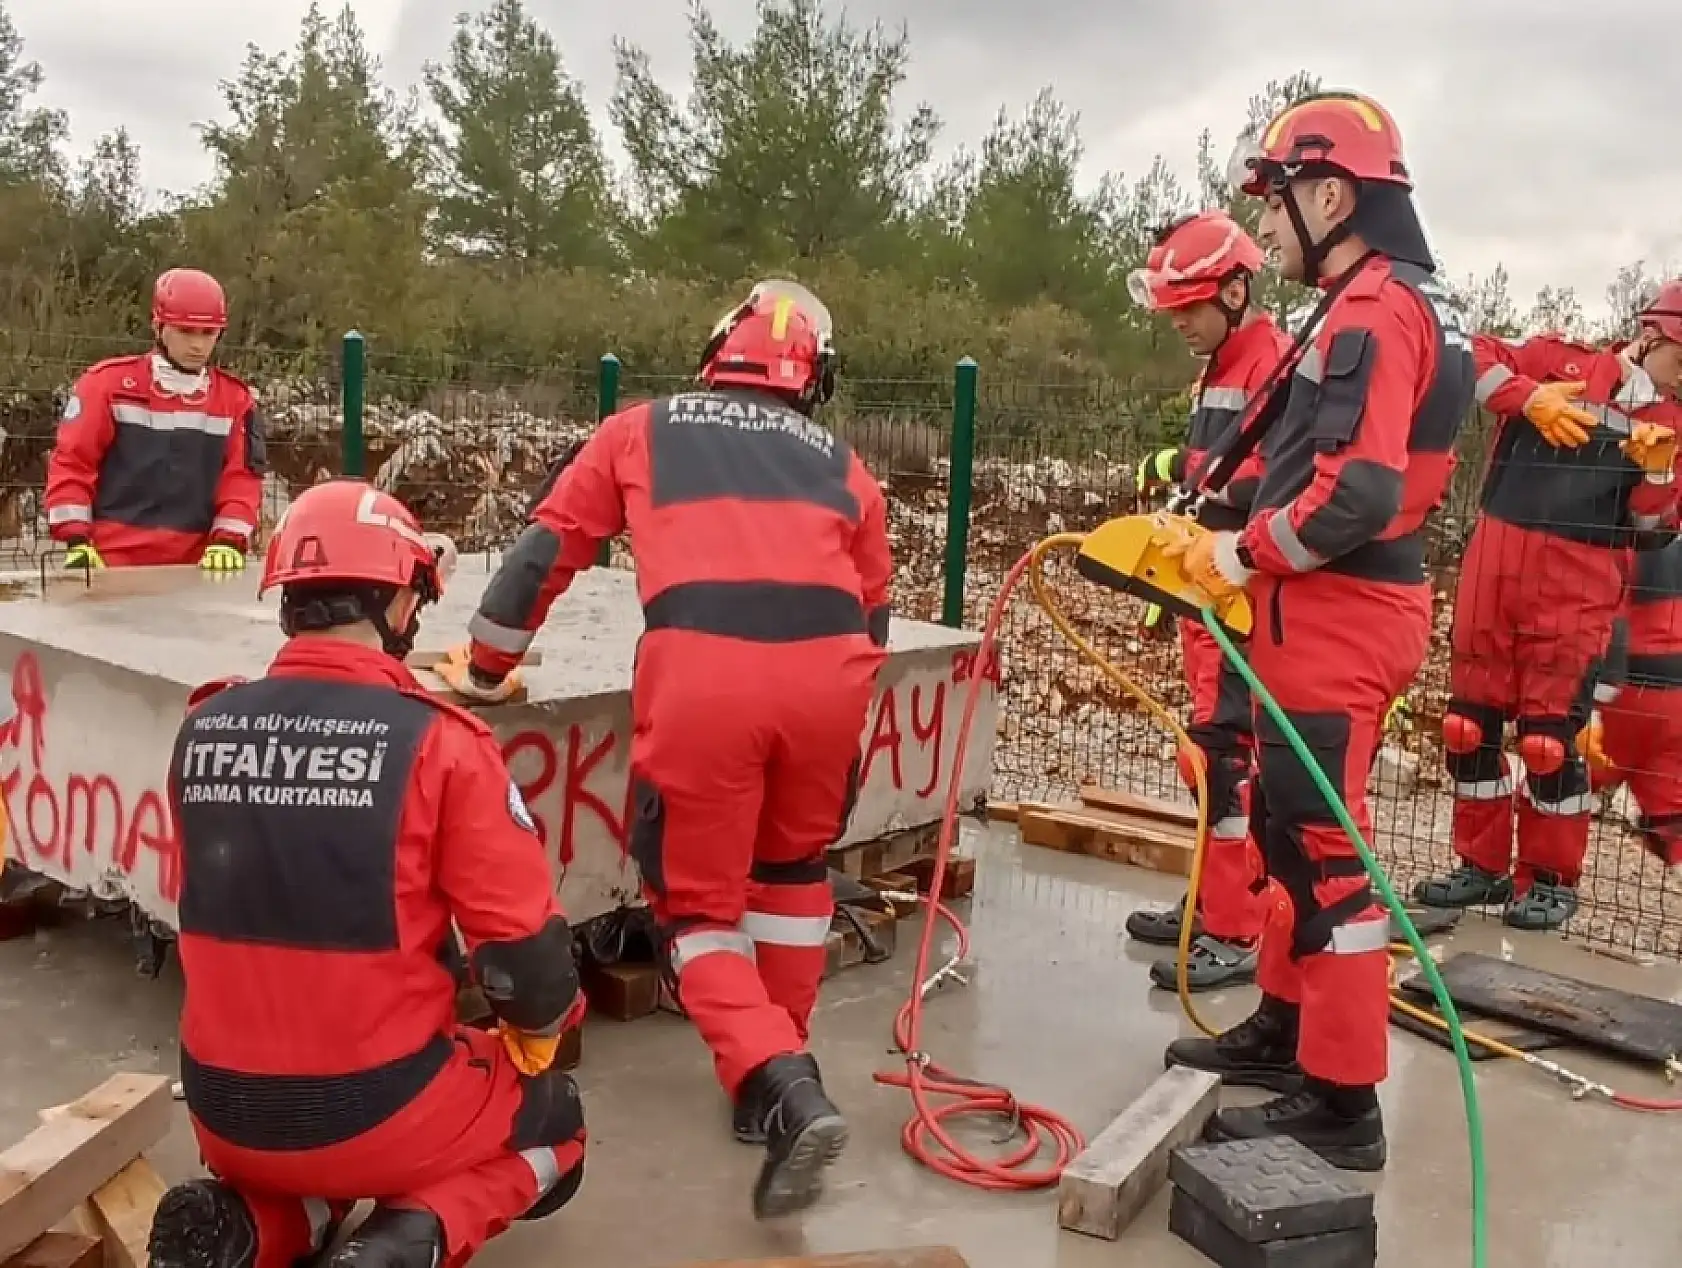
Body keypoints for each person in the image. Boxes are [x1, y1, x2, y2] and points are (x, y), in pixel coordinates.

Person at [440, 279, 893, 1221]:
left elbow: (544, 553)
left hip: (706, 680)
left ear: (716, 352)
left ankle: (780, 1081)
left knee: (694, 912)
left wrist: (487, 668)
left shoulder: (639, 430)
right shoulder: (844, 463)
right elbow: (876, 605)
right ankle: (766, 1069)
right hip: (833, 682)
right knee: (792, 867)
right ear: (812, 377)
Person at [146, 479, 587, 1268]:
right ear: (399, 603)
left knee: (312, 1147)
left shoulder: (204, 727)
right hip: (378, 1108)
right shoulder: (441, 744)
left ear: (287, 599)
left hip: (222, 1110)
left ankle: (256, 1230)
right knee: (557, 1125)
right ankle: (407, 1241)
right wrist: (539, 1034)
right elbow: (527, 964)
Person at [1161, 90, 1477, 1172]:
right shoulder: (1382, 302)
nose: (1268, 225)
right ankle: (1288, 1028)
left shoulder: (1371, 310)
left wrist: (1237, 553)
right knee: (1293, 840)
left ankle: (1341, 1100)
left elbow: (1351, 496)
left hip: (1337, 614)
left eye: (1279, 197)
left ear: (1332, 194)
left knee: (1326, 858)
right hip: (1323, 610)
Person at [1416, 282, 1682, 927]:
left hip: (1579, 583)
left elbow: (1655, 531)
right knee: (1467, 728)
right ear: (1652, 335)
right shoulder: (1559, 361)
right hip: (1494, 562)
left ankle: (1551, 880)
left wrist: (1658, 475)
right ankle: (1480, 868)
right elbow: (1466, 357)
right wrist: (1525, 397)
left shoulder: (1675, 426)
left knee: (1548, 740)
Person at [1125, 210, 1293, 992]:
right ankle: (1216, 899)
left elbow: (1278, 483)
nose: (1180, 325)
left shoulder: (1274, 364)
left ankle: (1236, 923)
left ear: (1233, 289)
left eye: (1188, 308)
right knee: (1208, 755)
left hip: (1239, 587)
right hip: (1207, 583)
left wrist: (1208, 511)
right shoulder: (1225, 364)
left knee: (1223, 759)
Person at [44, 268, 265, 570]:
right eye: (185, 331)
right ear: (158, 327)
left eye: (208, 333)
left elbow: (242, 478)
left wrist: (228, 540)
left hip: (198, 566)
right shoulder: (106, 385)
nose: (198, 345)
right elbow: (73, 462)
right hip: (110, 560)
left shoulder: (236, 400)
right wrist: (76, 539)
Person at [1577, 534, 1682, 868]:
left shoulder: (1615, 535)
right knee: (1670, 816)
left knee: (1557, 780)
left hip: (1625, 696)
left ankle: (1538, 884)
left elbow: (1607, 618)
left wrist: (1596, 694)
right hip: (1677, 700)